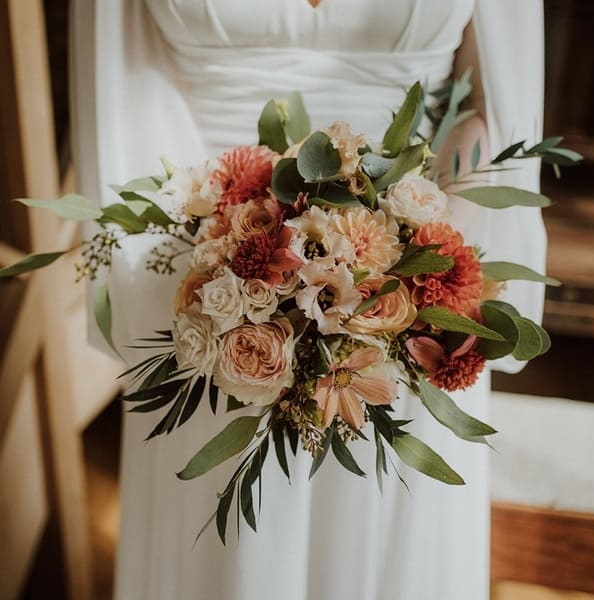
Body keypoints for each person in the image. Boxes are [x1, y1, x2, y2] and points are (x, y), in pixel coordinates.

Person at [71, 1, 546, 598]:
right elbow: (122, 98)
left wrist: (416, 266)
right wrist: (232, 276)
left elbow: (492, 105)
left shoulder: (415, 278)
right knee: (229, 548)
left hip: (410, 293)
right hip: (212, 288)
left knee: (384, 528)